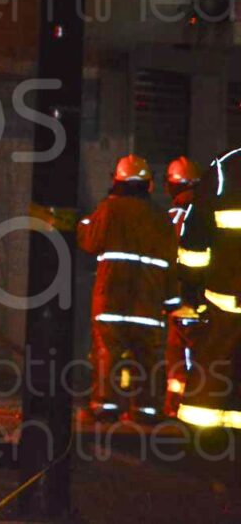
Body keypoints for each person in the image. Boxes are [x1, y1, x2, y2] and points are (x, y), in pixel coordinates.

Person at [77, 154, 176, 422]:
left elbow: (88, 241)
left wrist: (84, 221)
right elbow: (171, 262)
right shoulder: (160, 217)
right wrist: (172, 300)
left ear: (117, 180)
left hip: (111, 301)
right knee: (149, 357)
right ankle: (146, 410)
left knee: (108, 353)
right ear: (149, 184)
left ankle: (105, 406)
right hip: (148, 302)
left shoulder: (108, 209)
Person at [176, 147, 241, 430]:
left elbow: (194, 239)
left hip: (225, 295)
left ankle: (202, 436)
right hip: (225, 293)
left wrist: (193, 291)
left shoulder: (226, 168)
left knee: (214, 362)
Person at [162, 156, 203, 417]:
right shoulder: (206, 213)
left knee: (179, 355)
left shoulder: (173, 218)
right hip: (206, 298)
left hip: (180, 297)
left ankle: (176, 404)